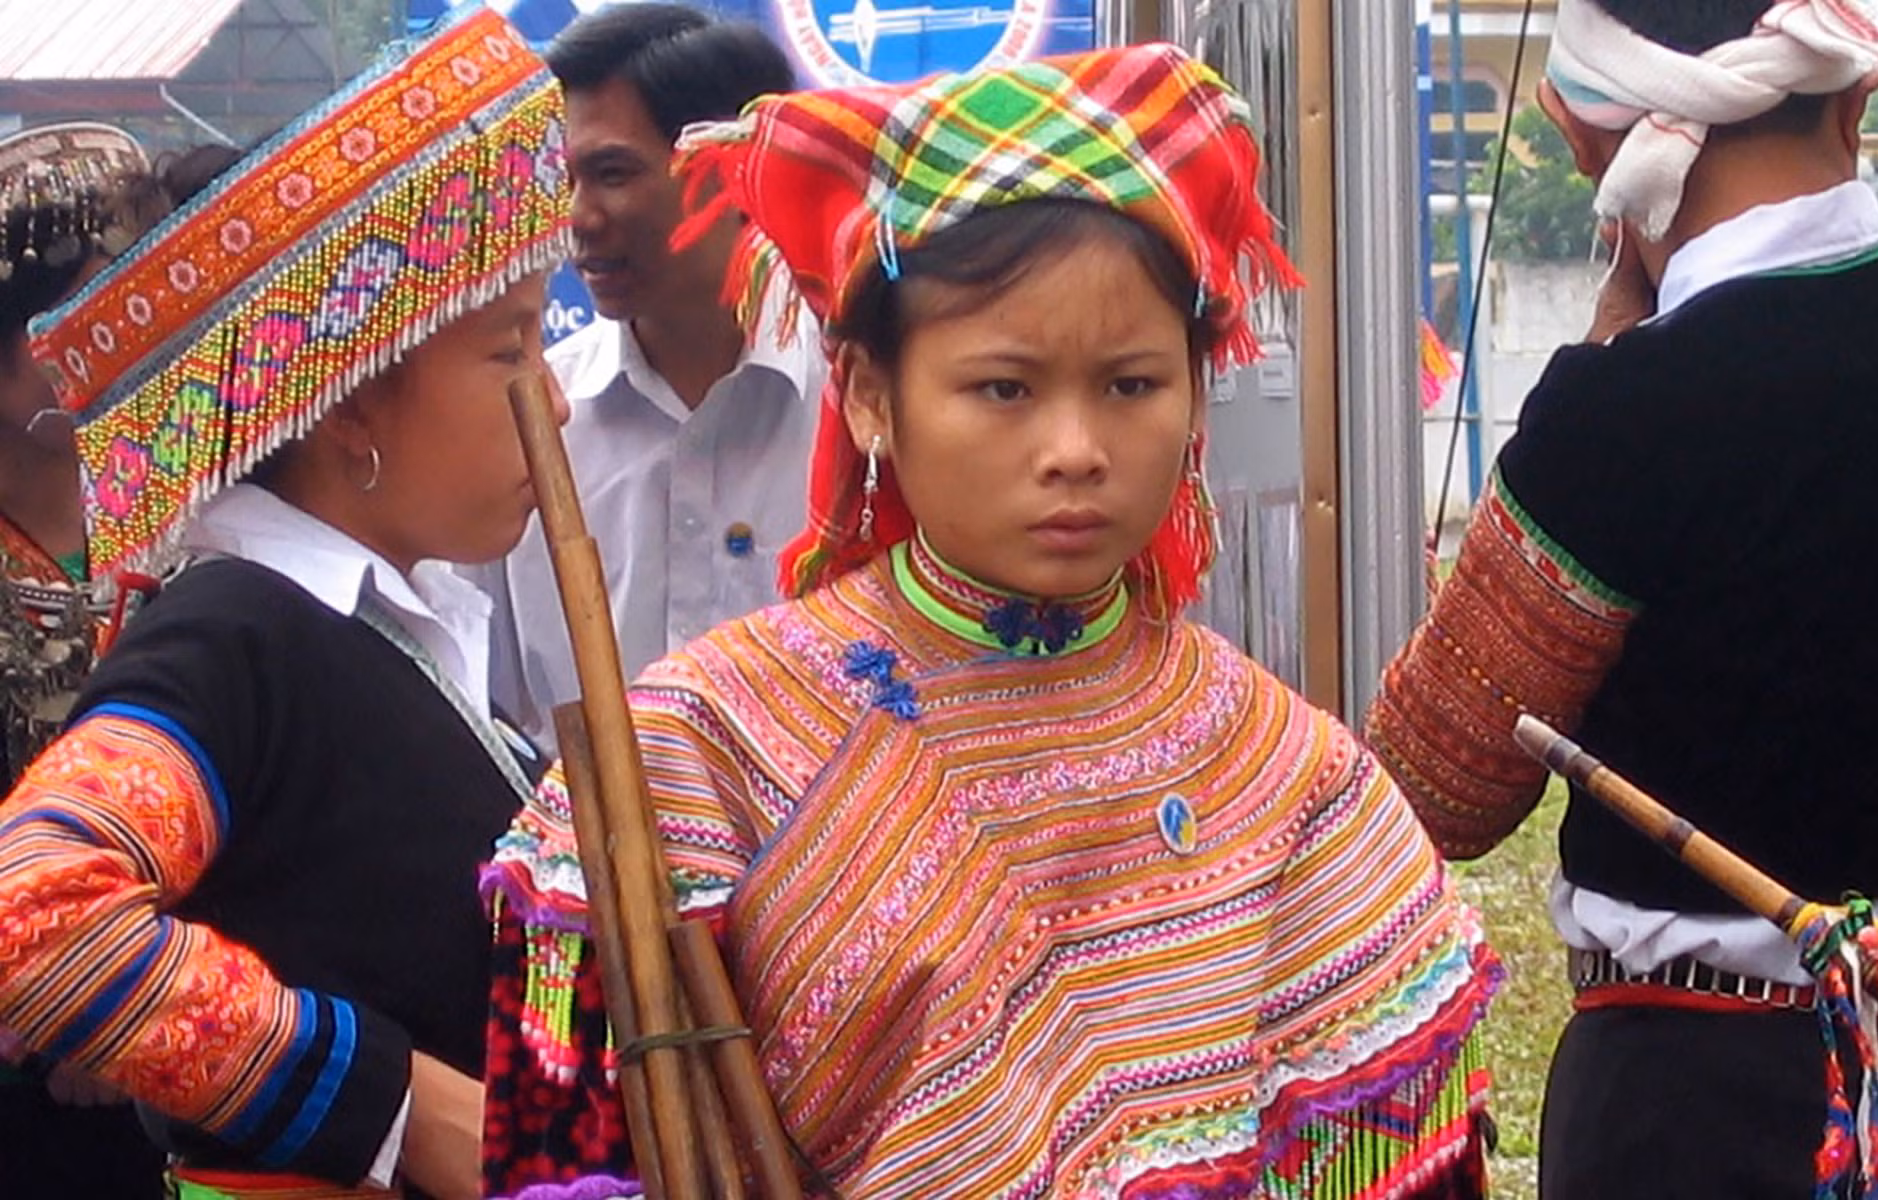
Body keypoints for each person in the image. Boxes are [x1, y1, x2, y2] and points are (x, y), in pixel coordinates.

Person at [483, 44, 1502, 1199]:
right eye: (1004, 389)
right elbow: (568, 1147)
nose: (1075, 450)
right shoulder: (696, 749)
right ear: (870, 394)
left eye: (1131, 385)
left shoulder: (1287, 775)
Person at [0, 7, 571, 1198]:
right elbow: (35, 911)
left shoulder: (372, 632)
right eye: (511, 351)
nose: (553, 405)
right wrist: (404, 1111)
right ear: (354, 400)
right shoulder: (240, 631)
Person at [1365, 1, 1878, 1195]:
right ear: (1856, 101)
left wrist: (1596, 375)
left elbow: (1438, 783)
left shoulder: (1625, 414)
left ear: (1580, 136)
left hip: (1694, 1101)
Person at [475, 2, 824, 756]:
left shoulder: (862, 407)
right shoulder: (528, 421)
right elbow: (487, 709)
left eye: (611, 174)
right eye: (564, 179)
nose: (577, 217)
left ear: (734, 168)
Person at [0, 126, 241, 1200]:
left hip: (195, 1036)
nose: (103, 344)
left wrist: (137, 1004)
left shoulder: (201, 517)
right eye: (73, 311)